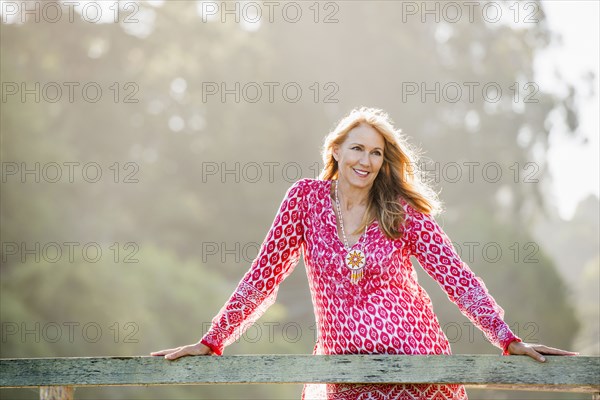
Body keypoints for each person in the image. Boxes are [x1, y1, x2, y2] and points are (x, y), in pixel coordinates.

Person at [151, 107, 578, 399]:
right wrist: (214, 339)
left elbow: (457, 277)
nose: (366, 160)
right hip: (346, 375)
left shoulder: (400, 212)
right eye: (357, 148)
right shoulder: (305, 200)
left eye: (376, 153)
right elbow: (262, 277)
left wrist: (506, 338)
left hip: (415, 371)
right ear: (335, 150)